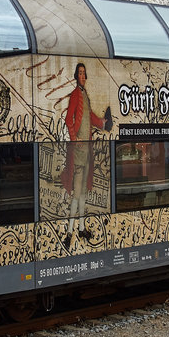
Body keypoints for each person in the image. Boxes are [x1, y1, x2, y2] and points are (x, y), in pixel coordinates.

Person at [61, 63, 112, 245]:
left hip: (86, 152)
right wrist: (75, 139)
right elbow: (69, 119)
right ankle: (69, 232)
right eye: (80, 73)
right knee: (77, 193)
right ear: (76, 76)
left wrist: (103, 123)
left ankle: (81, 228)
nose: (82, 76)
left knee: (82, 193)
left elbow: (89, 117)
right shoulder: (76, 95)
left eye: (84, 73)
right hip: (79, 152)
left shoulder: (84, 95)